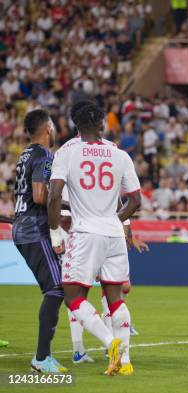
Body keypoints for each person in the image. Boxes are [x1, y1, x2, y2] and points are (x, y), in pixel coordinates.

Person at [47, 102, 142, 376]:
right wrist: (115, 219)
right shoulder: (120, 154)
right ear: (102, 123)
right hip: (114, 233)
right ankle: (125, 363)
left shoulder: (66, 152)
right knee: (116, 297)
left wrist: (55, 234)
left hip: (86, 233)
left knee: (73, 296)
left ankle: (109, 342)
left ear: (75, 124)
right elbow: (135, 200)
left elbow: (54, 196)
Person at [12, 109, 67, 373]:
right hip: (34, 229)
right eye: (54, 126)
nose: (55, 130)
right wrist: (68, 204)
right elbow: (39, 195)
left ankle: (45, 356)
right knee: (56, 288)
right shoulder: (45, 155)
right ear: (48, 128)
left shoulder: (24, 155)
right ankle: (41, 358)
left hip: (23, 226)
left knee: (56, 288)